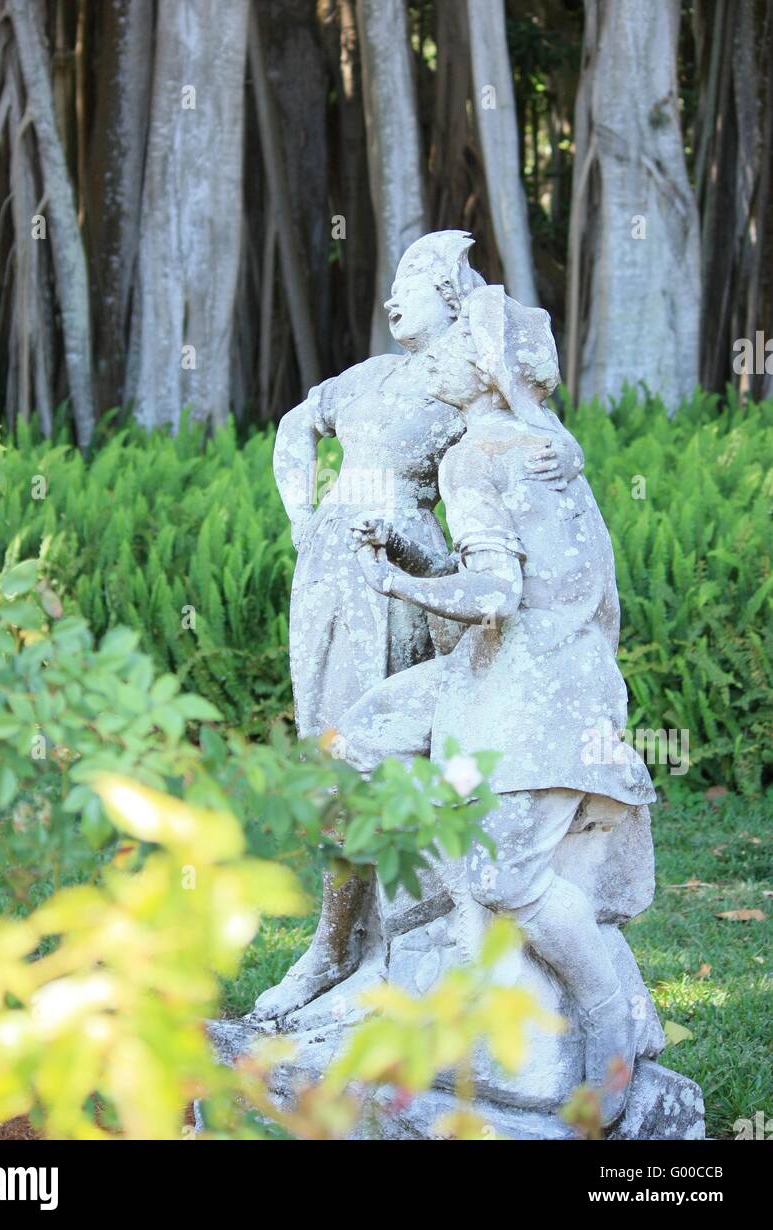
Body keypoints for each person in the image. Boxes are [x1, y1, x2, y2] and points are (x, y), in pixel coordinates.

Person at [338, 285, 655, 1125]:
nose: (426, 360)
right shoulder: (540, 441)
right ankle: (450, 938)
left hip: (534, 680)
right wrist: (409, 545)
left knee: (507, 872)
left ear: (481, 365)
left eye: (445, 350)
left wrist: (394, 581)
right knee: (368, 735)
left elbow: (497, 594)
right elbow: (497, 566)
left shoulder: (476, 455)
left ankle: (604, 1025)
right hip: (523, 669)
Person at [256, 235, 582, 1020]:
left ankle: (382, 950)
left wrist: (560, 457)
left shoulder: (466, 383)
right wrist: (304, 518)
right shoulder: (364, 378)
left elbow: (541, 433)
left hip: (413, 574)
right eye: (393, 284)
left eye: (414, 284)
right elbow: (293, 430)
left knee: (394, 759)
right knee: (331, 752)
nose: (394, 298)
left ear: (454, 298)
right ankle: (339, 942)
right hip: (331, 571)